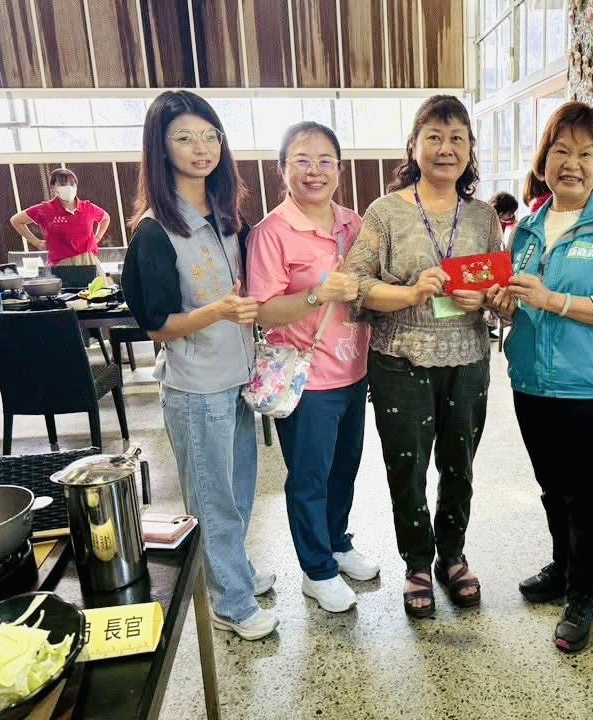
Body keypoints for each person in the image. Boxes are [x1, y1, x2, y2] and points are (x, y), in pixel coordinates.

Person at [487, 101, 593, 653]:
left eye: (585, 153)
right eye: (561, 151)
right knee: (550, 485)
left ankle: (582, 594)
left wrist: (550, 299)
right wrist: (504, 305)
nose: (572, 163)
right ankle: (561, 567)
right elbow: (518, 304)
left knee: (581, 490)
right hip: (530, 380)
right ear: (544, 160)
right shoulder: (527, 228)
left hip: (587, 387)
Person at [121, 90, 278, 641]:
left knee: (238, 489)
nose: (201, 147)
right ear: (161, 149)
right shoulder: (154, 231)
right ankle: (229, 602)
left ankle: (234, 571)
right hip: (195, 387)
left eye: (210, 136)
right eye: (184, 138)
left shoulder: (228, 215)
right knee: (212, 498)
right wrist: (219, 311)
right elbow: (156, 325)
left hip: (238, 379)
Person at [344, 95, 501, 618]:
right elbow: (355, 284)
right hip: (400, 358)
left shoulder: (482, 216)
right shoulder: (385, 212)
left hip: (468, 357)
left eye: (457, 138)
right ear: (413, 146)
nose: (445, 148)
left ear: (470, 149)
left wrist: (489, 298)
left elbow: (498, 287)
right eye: (434, 136)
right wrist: (411, 293)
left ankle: (452, 555)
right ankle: (416, 562)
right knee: (406, 467)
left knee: (460, 465)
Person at [246, 122, 378, 614]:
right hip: (305, 380)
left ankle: (337, 543)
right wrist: (318, 293)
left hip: (354, 371)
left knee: (344, 468)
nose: (314, 170)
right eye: (301, 160)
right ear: (282, 169)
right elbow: (263, 310)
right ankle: (316, 570)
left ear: (339, 170)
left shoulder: (354, 224)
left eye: (325, 160)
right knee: (309, 478)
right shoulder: (272, 232)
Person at [10, 169, 111, 270]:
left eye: (72, 184)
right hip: (61, 264)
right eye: (63, 184)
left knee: (99, 281)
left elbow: (105, 218)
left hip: (89, 261)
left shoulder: (88, 207)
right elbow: (16, 220)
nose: (68, 187)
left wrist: (97, 238)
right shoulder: (45, 209)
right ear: (53, 187)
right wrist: (36, 242)